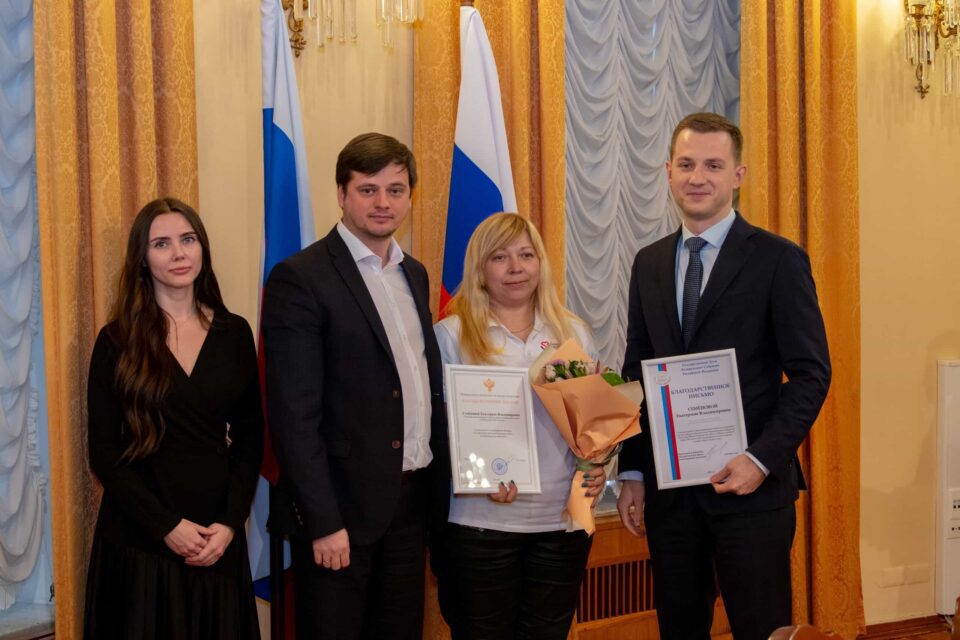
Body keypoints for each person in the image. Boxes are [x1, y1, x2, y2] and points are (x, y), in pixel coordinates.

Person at [616, 112, 831, 640]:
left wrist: (760, 459)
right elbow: (637, 370)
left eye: (713, 165)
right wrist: (633, 471)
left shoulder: (779, 260)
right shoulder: (648, 263)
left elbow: (811, 374)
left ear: (738, 175)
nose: (698, 177)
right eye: (687, 164)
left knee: (761, 631)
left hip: (751, 492)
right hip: (671, 500)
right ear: (668, 172)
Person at [261, 132, 449, 640]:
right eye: (368, 189)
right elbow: (293, 416)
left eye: (395, 189)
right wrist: (323, 521)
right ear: (342, 194)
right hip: (341, 514)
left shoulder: (414, 274)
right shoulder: (300, 278)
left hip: (410, 506)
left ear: (410, 197)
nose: (383, 202)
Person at [84, 198, 263, 639]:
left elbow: (250, 440)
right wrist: (165, 526)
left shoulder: (235, 333)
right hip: (140, 541)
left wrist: (230, 524)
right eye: (161, 244)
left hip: (215, 540)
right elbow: (104, 452)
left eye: (188, 239)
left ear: (202, 248)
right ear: (142, 258)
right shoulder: (116, 340)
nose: (179, 253)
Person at [434, 213, 605, 640]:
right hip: (479, 524)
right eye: (500, 257)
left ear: (540, 263)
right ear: (480, 269)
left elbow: (592, 424)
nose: (516, 268)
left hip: (561, 524)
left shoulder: (573, 333)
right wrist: (479, 475)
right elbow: (439, 431)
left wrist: (598, 462)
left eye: (526, 255)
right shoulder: (451, 335)